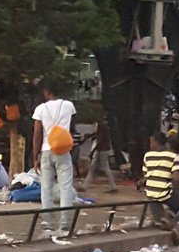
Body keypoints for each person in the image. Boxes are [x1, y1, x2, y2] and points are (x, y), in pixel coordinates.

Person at [32, 84, 76, 236]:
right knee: (65, 187)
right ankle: (65, 224)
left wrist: (35, 156)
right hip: (63, 151)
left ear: (47, 92)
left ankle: (48, 223)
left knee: (46, 188)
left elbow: (37, 134)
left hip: (46, 150)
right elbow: (71, 127)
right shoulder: (69, 106)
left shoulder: (40, 109)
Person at [140, 132, 179, 243]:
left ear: (156, 142)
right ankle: (173, 224)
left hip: (150, 193)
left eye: (151, 142)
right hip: (165, 194)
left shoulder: (147, 156)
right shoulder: (173, 157)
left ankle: (165, 220)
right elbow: (176, 179)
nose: (150, 144)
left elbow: (146, 175)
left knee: (162, 211)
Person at [84, 118, 116, 191]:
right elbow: (96, 136)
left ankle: (113, 186)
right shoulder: (103, 129)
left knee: (104, 168)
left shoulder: (101, 128)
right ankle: (85, 185)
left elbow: (99, 141)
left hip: (102, 150)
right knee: (93, 168)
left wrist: (93, 151)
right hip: (102, 150)